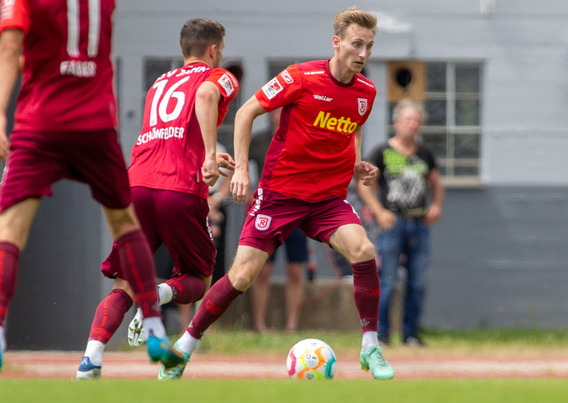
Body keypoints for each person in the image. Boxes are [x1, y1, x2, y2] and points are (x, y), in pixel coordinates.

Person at [160, 6, 396, 381]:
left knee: (364, 250)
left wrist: (355, 165)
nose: (363, 54)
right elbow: (245, 113)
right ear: (336, 43)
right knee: (241, 276)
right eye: (356, 45)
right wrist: (240, 168)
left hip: (327, 200)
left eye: (368, 46)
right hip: (280, 196)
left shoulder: (366, 91)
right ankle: (184, 348)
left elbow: (352, 130)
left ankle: (370, 347)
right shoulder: (300, 76)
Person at [0, 0, 186, 374]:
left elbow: (10, 48)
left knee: (10, 230)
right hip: (96, 125)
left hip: (40, 124)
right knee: (125, 225)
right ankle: (153, 327)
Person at [73, 18, 239, 378]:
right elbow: (207, 96)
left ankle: (91, 360)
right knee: (198, 275)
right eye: (221, 51)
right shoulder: (218, 76)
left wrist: (204, 153)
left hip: (136, 186)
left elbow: (171, 136)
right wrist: (210, 154)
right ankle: (159, 294)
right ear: (214, 50)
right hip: (178, 188)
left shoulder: (159, 84)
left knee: (124, 283)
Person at [357, 99, 445, 347]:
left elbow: (436, 184)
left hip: (418, 225)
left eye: (417, 121)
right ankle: (381, 335)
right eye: (408, 119)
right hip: (391, 225)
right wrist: (379, 211)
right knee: (387, 281)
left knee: (417, 282)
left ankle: (411, 334)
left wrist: (436, 206)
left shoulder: (425, 154)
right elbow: (363, 186)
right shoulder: (382, 152)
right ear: (396, 122)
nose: (413, 124)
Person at [249, 108, 309, 333]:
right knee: (262, 270)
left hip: (296, 210)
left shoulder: (301, 137)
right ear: (272, 115)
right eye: (278, 112)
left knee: (295, 271)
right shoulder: (260, 140)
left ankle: (291, 325)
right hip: (268, 211)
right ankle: (259, 325)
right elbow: (241, 161)